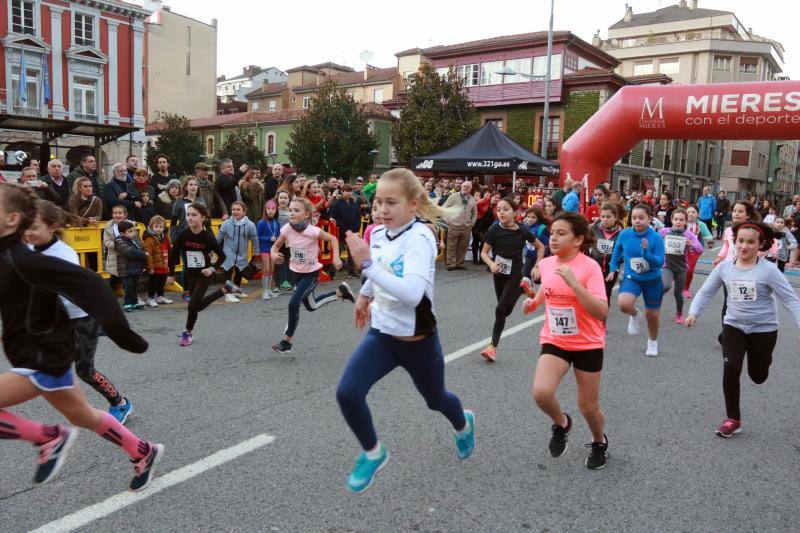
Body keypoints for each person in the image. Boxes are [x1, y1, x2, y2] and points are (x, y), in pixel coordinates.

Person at [0, 182, 163, 491]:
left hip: (43, 355)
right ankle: (142, 450)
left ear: (12, 219)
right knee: (84, 416)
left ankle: (47, 437)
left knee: (76, 415)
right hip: (37, 352)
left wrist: (121, 332)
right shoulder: (11, 256)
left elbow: (90, 284)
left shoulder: (24, 259)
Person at [336, 168, 475, 493]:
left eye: (390, 202)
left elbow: (412, 293)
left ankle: (462, 423)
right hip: (383, 335)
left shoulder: (421, 238)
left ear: (413, 204)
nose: (381, 209)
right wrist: (365, 295)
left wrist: (367, 264)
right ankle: (373, 452)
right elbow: (381, 267)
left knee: (435, 399)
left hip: (419, 340)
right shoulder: (380, 233)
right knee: (348, 392)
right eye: (378, 202)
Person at [686, 221, 800, 438]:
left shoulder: (769, 270)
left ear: (760, 245)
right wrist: (693, 312)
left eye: (750, 242)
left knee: (758, 376)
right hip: (734, 325)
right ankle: (733, 418)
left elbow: (790, 299)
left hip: (764, 329)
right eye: (740, 241)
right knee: (730, 368)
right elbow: (706, 291)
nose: (744, 246)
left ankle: (763, 361)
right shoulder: (725, 267)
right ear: (734, 241)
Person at [25, 200, 134, 424]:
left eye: (34, 227)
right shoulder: (29, 249)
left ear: (53, 225)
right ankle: (72, 410)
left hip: (82, 317)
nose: (29, 232)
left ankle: (120, 403)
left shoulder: (64, 254)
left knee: (85, 370)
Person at [523, 212, 610, 470]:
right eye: (552, 234)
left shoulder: (589, 267)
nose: (554, 239)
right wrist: (534, 302)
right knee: (541, 392)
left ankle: (598, 441)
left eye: (562, 234)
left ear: (578, 239)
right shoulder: (548, 263)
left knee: (588, 406)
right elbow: (546, 290)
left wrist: (574, 283)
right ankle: (562, 423)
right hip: (556, 339)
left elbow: (601, 312)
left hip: (587, 343)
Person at [270, 197, 354, 353]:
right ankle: (339, 293)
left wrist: (336, 257)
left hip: (311, 273)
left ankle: (287, 341)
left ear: (307, 214)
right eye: (290, 210)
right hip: (296, 273)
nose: (292, 213)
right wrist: (274, 255)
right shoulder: (287, 229)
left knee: (293, 304)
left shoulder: (312, 231)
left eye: (296, 210)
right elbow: (275, 247)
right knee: (311, 306)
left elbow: (333, 239)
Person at [479, 197, 544, 362]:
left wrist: (537, 266)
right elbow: (484, 253)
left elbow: (541, 247)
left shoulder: (522, 230)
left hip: (515, 273)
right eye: (499, 209)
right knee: (505, 311)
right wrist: (491, 264)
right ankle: (522, 289)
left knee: (500, 310)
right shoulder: (494, 230)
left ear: (515, 213)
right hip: (498, 273)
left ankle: (492, 347)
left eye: (505, 209)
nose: (501, 212)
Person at [167, 203, 240, 346]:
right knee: (194, 306)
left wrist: (212, 269)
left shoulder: (207, 237)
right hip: (189, 275)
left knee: (193, 305)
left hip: (204, 275)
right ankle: (225, 289)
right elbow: (173, 255)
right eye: (188, 215)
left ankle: (187, 333)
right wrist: (170, 274)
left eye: (194, 215)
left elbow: (222, 257)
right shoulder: (183, 235)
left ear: (203, 217)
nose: (189, 218)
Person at [608, 204, 665, 357]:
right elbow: (617, 250)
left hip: (652, 280)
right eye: (634, 218)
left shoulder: (656, 238)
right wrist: (613, 267)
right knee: (623, 304)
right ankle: (634, 315)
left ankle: (652, 341)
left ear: (650, 219)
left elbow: (659, 262)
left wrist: (646, 253)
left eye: (641, 218)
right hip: (632, 277)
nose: (637, 221)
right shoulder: (625, 234)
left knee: (652, 315)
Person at [659, 209, 703, 324]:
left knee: (678, 293)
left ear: (685, 222)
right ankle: (655, 305)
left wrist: (692, 244)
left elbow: (700, 249)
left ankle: (679, 313)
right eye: (676, 219)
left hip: (681, 268)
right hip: (667, 266)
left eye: (681, 220)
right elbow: (654, 242)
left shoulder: (689, 235)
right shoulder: (664, 232)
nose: (678, 222)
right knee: (665, 286)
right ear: (672, 220)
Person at [216, 201, 259, 302]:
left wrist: (257, 251)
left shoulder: (250, 225)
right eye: (233, 209)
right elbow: (218, 238)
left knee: (240, 272)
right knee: (228, 272)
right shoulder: (226, 224)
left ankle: (236, 290)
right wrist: (212, 249)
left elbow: (255, 239)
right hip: (228, 252)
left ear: (244, 212)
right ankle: (228, 294)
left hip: (242, 253)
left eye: (238, 209)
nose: (235, 211)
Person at [588, 202, 624, 304]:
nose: (605, 219)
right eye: (602, 216)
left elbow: (624, 251)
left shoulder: (622, 233)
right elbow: (584, 243)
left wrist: (617, 263)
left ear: (616, 217)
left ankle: (602, 319)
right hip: (594, 268)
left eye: (608, 217)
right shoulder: (593, 229)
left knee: (605, 295)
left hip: (611, 270)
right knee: (592, 295)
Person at [329, 184, 364, 278]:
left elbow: (358, 216)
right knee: (338, 251)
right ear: (342, 192)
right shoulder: (338, 203)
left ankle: (351, 272)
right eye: (346, 191)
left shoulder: (354, 202)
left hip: (352, 232)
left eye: (349, 191)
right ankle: (332, 273)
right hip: (341, 232)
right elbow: (334, 216)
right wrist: (342, 227)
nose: (348, 193)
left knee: (351, 252)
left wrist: (357, 228)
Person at [443, 180, 477, 271]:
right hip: (453, 225)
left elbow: (474, 214)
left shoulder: (472, 199)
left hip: (466, 227)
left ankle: (459, 263)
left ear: (470, 188)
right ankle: (451, 264)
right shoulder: (453, 196)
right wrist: (448, 221)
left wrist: (471, 224)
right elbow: (444, 208)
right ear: (461, 186)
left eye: (467, 187)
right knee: (451, 246)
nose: (465, 188)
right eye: (464, 186)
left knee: (463, 247)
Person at [115, 220, 148, 312]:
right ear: (122, 233)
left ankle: (135, 302)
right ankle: (127, 303)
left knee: (135, 287)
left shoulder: (132, 240)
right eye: (130, 231)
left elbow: (140, 248)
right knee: (128, 287)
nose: (133, 233)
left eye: (133, 231)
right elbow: (129, 252)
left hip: (135, 268)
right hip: (126, 269)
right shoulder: (119, 241)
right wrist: (143, 254)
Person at [142, 215, 173, 307]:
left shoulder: (165, 238)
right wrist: (150, 267)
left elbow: (169, 250)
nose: (158, 229)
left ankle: (160, 297)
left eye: (161, 227)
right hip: (155, 267)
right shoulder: (149, 239)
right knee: (153, 283)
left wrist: (171, 263)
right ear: (151, 227)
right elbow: (149, 255)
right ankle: (150, 298)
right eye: (156, 227)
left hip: (164, 264)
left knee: (161, 282)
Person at [683, 205, 713, 298]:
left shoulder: (701, 225)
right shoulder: (682, 222)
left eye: (693, 212)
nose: (691, 214)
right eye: (688, 212)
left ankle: (686, 288)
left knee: (690, 270)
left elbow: (708, 235)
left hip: (694, 250)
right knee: (679, 268)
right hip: (680, 250)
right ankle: (678, 281)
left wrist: (709, 240)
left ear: (698, 214)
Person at [103, 205, 131, 294]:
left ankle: (128, 296)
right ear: (112, 215)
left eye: (120, 213)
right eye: (115, 213)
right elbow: (106, 241)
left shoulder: (130, 225)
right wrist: (117, 246)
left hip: (127, 255)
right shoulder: (108, 227)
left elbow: (133, 238)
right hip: (114, 254)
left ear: (125, 215)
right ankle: (109, 295)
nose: (117, 215)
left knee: (126, 277)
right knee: (113, 276)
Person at [257, 200, 281, 300]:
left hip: (273, 250)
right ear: (265, 210)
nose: (271, 211)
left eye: (273, 209)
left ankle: (269, 289)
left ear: (276, 210)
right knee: (266, 269)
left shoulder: (276, 222)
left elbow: (279, 235)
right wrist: (268, 239)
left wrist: (278, 239)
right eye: (268, 209)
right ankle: (264, 291)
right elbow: (258, 237)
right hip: (264, 249)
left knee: (271, 269)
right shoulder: (262, 222)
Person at [170, 176, 205, 240]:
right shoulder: (179, 201)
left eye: (195, 185)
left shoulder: (201, 200)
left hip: (199, 236)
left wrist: (210, 235)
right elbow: (173, 222)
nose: (193, 187)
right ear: (186, 187)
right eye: (191, 185)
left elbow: (206, 220)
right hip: (183, 235)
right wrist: (173, 238)